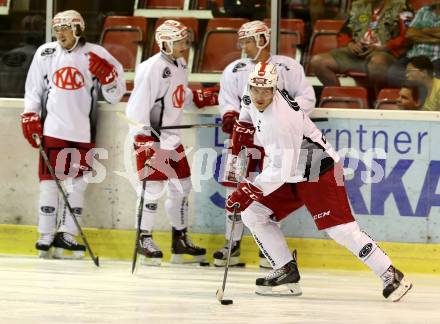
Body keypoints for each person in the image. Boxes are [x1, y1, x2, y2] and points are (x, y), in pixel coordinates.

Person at [226, 61, 412, 302]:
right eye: (256, 89)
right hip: (290, 171)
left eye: (266, 91)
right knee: (253, 213)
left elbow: (280, 171)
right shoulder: (251, 93)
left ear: (275, 89)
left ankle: (390, 273)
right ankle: (286, 270)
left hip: (318, 169)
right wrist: (241, 130)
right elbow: (247, 116)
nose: (260, 96)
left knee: (340, 230)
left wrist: (247, 190)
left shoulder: (281, 121)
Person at [20, 10, 126, 258]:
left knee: (77, 185)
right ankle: (45, 234)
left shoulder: (97, 54)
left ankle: (67, 234)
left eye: (65, 28)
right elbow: (33, 89)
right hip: (53, 128)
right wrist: (29, 114)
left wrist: (108, 79)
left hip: (82, 130)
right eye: (57, 28)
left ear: (78, 29)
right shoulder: (45, 53)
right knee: (49, 184)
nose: (60, 33)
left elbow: (114, 96)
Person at [216, 20, 316, 268]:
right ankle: (232, 242)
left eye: (248, 41)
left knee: (272, 190)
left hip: (275, 140)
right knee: (233, 187)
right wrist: (230, 114)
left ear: (262, 40)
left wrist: (284, 116)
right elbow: (227, 99)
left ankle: (269, 249)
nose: (244, 47)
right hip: (243, 140)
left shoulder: (287, 67)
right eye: (242, 42)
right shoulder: (234, 69)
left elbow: (307, 97)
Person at [126, 20, 216, 265]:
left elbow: (177, 95)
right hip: (152, 139)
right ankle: (143, 238)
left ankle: (179, 240)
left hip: (171, 139)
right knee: (153, 190)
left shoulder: (180, 63)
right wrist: (143, 138)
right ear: (164, 43)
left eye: (184, 40)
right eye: (178, 41)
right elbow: (136, 108)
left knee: (182, 187)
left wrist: (197, 97)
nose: (183, 45)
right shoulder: (151, 68)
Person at [311, 0, 413, 90]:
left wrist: (384, 47)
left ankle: (377, 102)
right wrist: (350, 44)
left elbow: (408, 36)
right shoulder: (358, 6)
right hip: (357, 54)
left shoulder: (402, 6)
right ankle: (339, 96)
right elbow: (343, 33)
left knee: (377, 62)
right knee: (318, 61)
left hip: (385, 54)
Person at [388, 2, 440, 87]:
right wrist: (434, 39)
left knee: (431, 77)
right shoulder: (424, 10)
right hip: (414, 56)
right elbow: (409, 33)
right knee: (393, 72)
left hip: (437, 58)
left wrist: (422, 30)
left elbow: (415, 32)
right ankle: (405, 97)